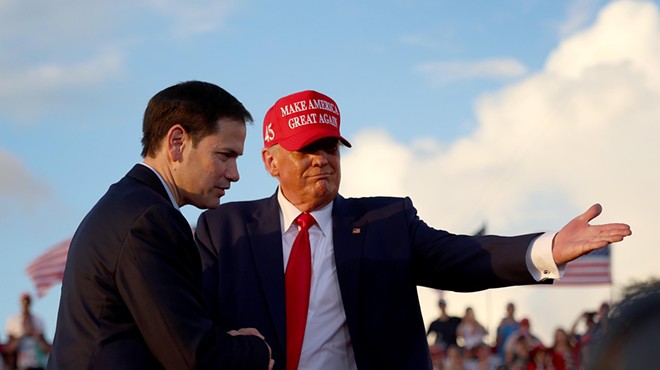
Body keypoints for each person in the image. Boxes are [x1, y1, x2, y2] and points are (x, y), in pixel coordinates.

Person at [194, 89, 632, 370]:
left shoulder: (386, 223)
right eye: (306, 149)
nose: (321, 159)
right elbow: (189, 324)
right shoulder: (224, 230)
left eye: (330, 147)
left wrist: (547, 247)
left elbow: (466, 257)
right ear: (271, 162)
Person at [47, 81, 273, 370]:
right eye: (224, 155)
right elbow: (190, 355)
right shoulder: (150, 219)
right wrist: (255, 350)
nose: (235, 174)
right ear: (177, 142)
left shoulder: (129, 206)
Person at [4, 293, 51, 370]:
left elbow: (45, 348)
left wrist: (34, 333)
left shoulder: (38, 320)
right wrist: (23, 334)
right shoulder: (13, 320)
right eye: (23, 302)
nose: (25, 305)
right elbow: (9, 348)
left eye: (27, 302)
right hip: (20, 365)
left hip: (37, 365)